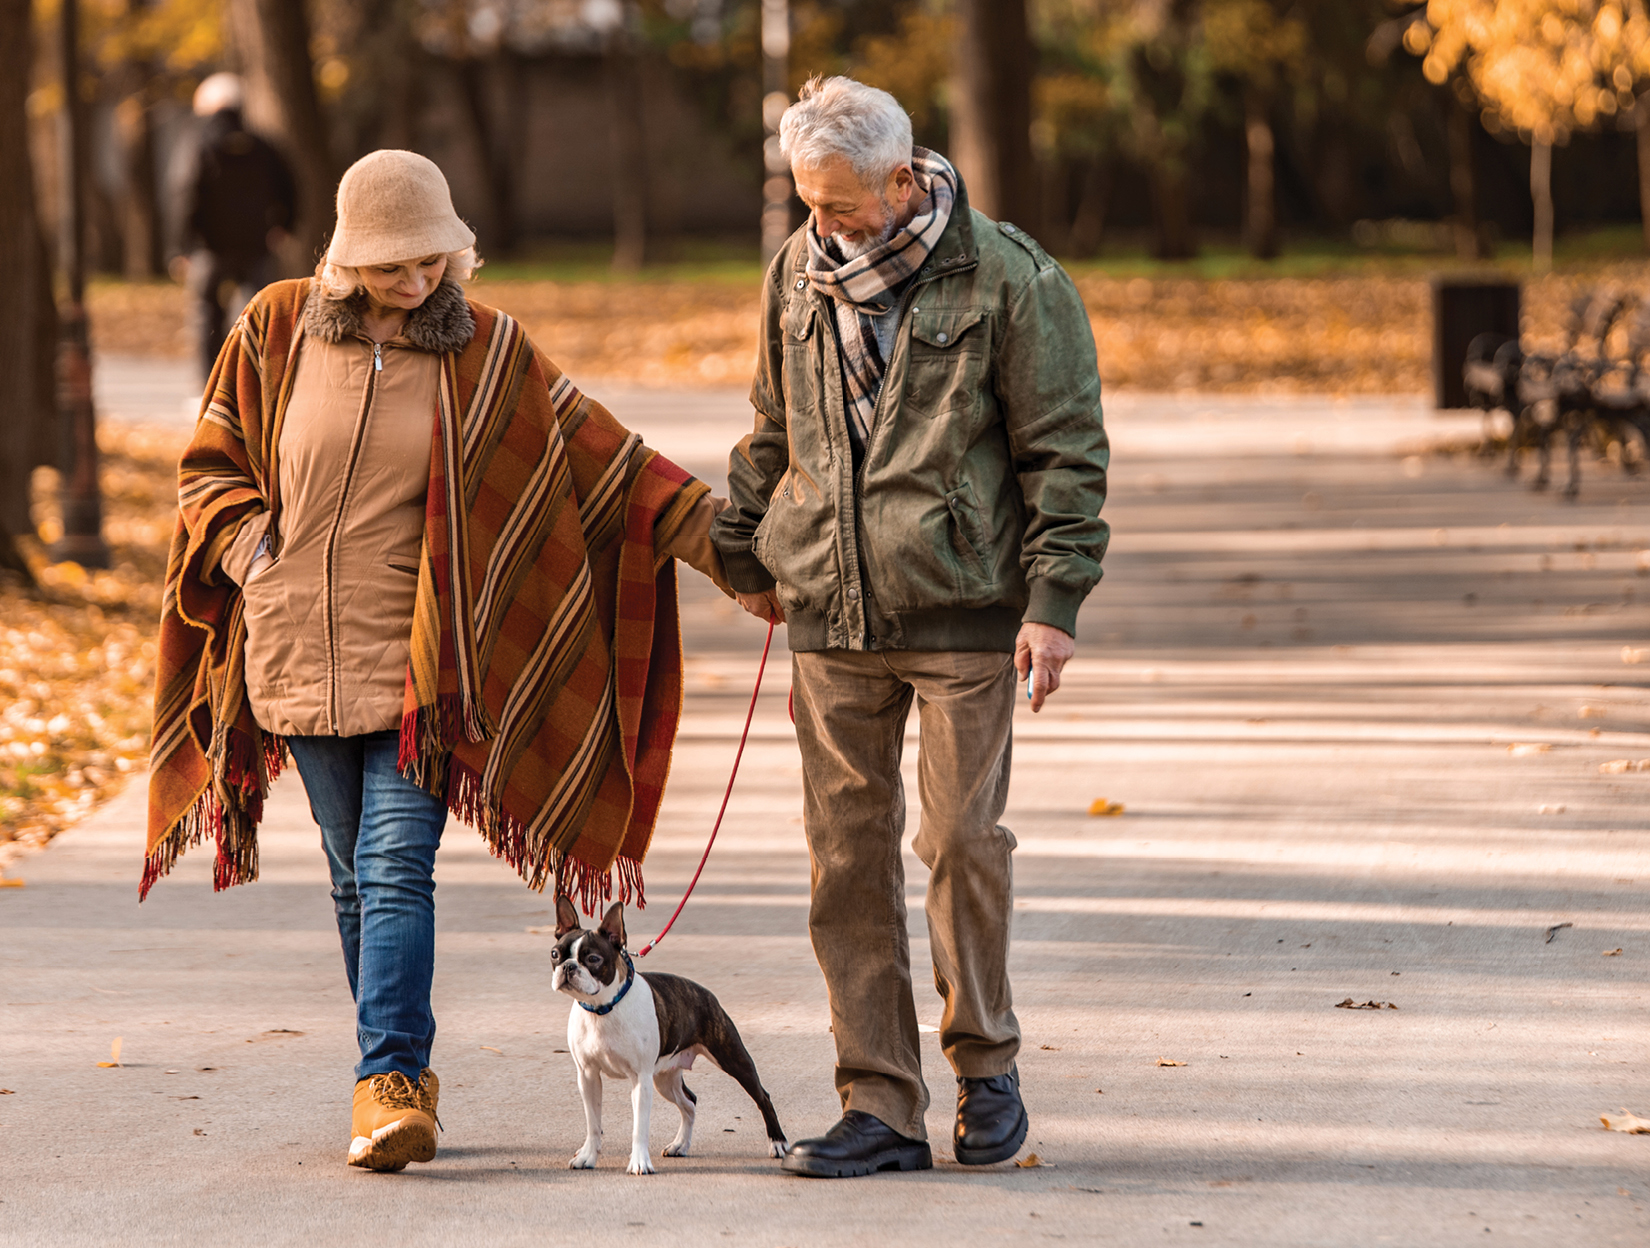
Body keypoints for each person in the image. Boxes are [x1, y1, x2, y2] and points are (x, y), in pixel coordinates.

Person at [145, 150, 732, 1173]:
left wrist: (730, 543)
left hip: (425, 671)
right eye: (392, 267)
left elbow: (608, 461)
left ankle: (392, 1086)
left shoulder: (488, 351)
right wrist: (251, 550)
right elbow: (211, 463)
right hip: (291, 652)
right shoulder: (276, 327)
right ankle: (390, 1080)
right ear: (348, 259)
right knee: (348, 878)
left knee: (392, 866)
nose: (417, 285)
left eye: (433, 262)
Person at [713, 76, 1109, 1177]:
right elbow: (770, 426)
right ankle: (879, 1105)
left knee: (959, 844)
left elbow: (1064, 450)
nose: (819, 227)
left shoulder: (1009, 278)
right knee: (843, 863)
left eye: (838, 205)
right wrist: (748, 552)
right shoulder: (796, 273)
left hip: (963, 613)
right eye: (806, 202)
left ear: (902, 179)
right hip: (831, 614)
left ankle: (987, 1072)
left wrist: (1054, 605)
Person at [176, 72, 298, 383]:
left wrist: (183, 245)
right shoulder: (263, 145)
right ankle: (254, 384)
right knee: (258, 317)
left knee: (207, 316)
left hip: (211, 249)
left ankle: (210, 385)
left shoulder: (199, 145)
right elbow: (291, 188)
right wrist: (283, 226)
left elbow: (184, 193)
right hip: (256, 246)